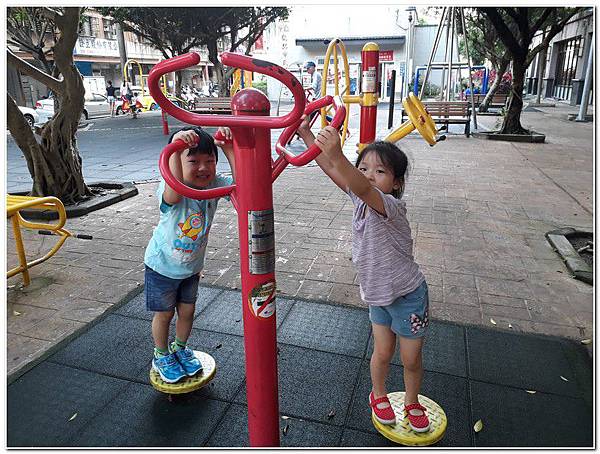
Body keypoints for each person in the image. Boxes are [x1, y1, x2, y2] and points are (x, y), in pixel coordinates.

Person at [296, 119, 431, 433]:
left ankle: (412, 400)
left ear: (396, 183)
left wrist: (340, 155)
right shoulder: (361, 198)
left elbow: (358, 183)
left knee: (410, 359)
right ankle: (379, 393)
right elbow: (333, 170)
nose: (370, 175)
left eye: (380, 171)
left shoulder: (390, 206)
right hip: (377, 296)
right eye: (364, 167)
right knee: (382, 352)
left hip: (408, 297)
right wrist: (307, 137)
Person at [144, 126, 235, 383]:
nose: (203, 168)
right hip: (161, 266)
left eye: (209, 161)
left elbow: (244, 186)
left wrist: (228, 148)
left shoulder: (215, 185)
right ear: (177, 163)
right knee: (165, 314)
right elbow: (172, 195)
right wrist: (174, 148)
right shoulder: (171, 184)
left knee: (187, 311)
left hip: (191, 267)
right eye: (193, 161)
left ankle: (180, 349)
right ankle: (161, 354)